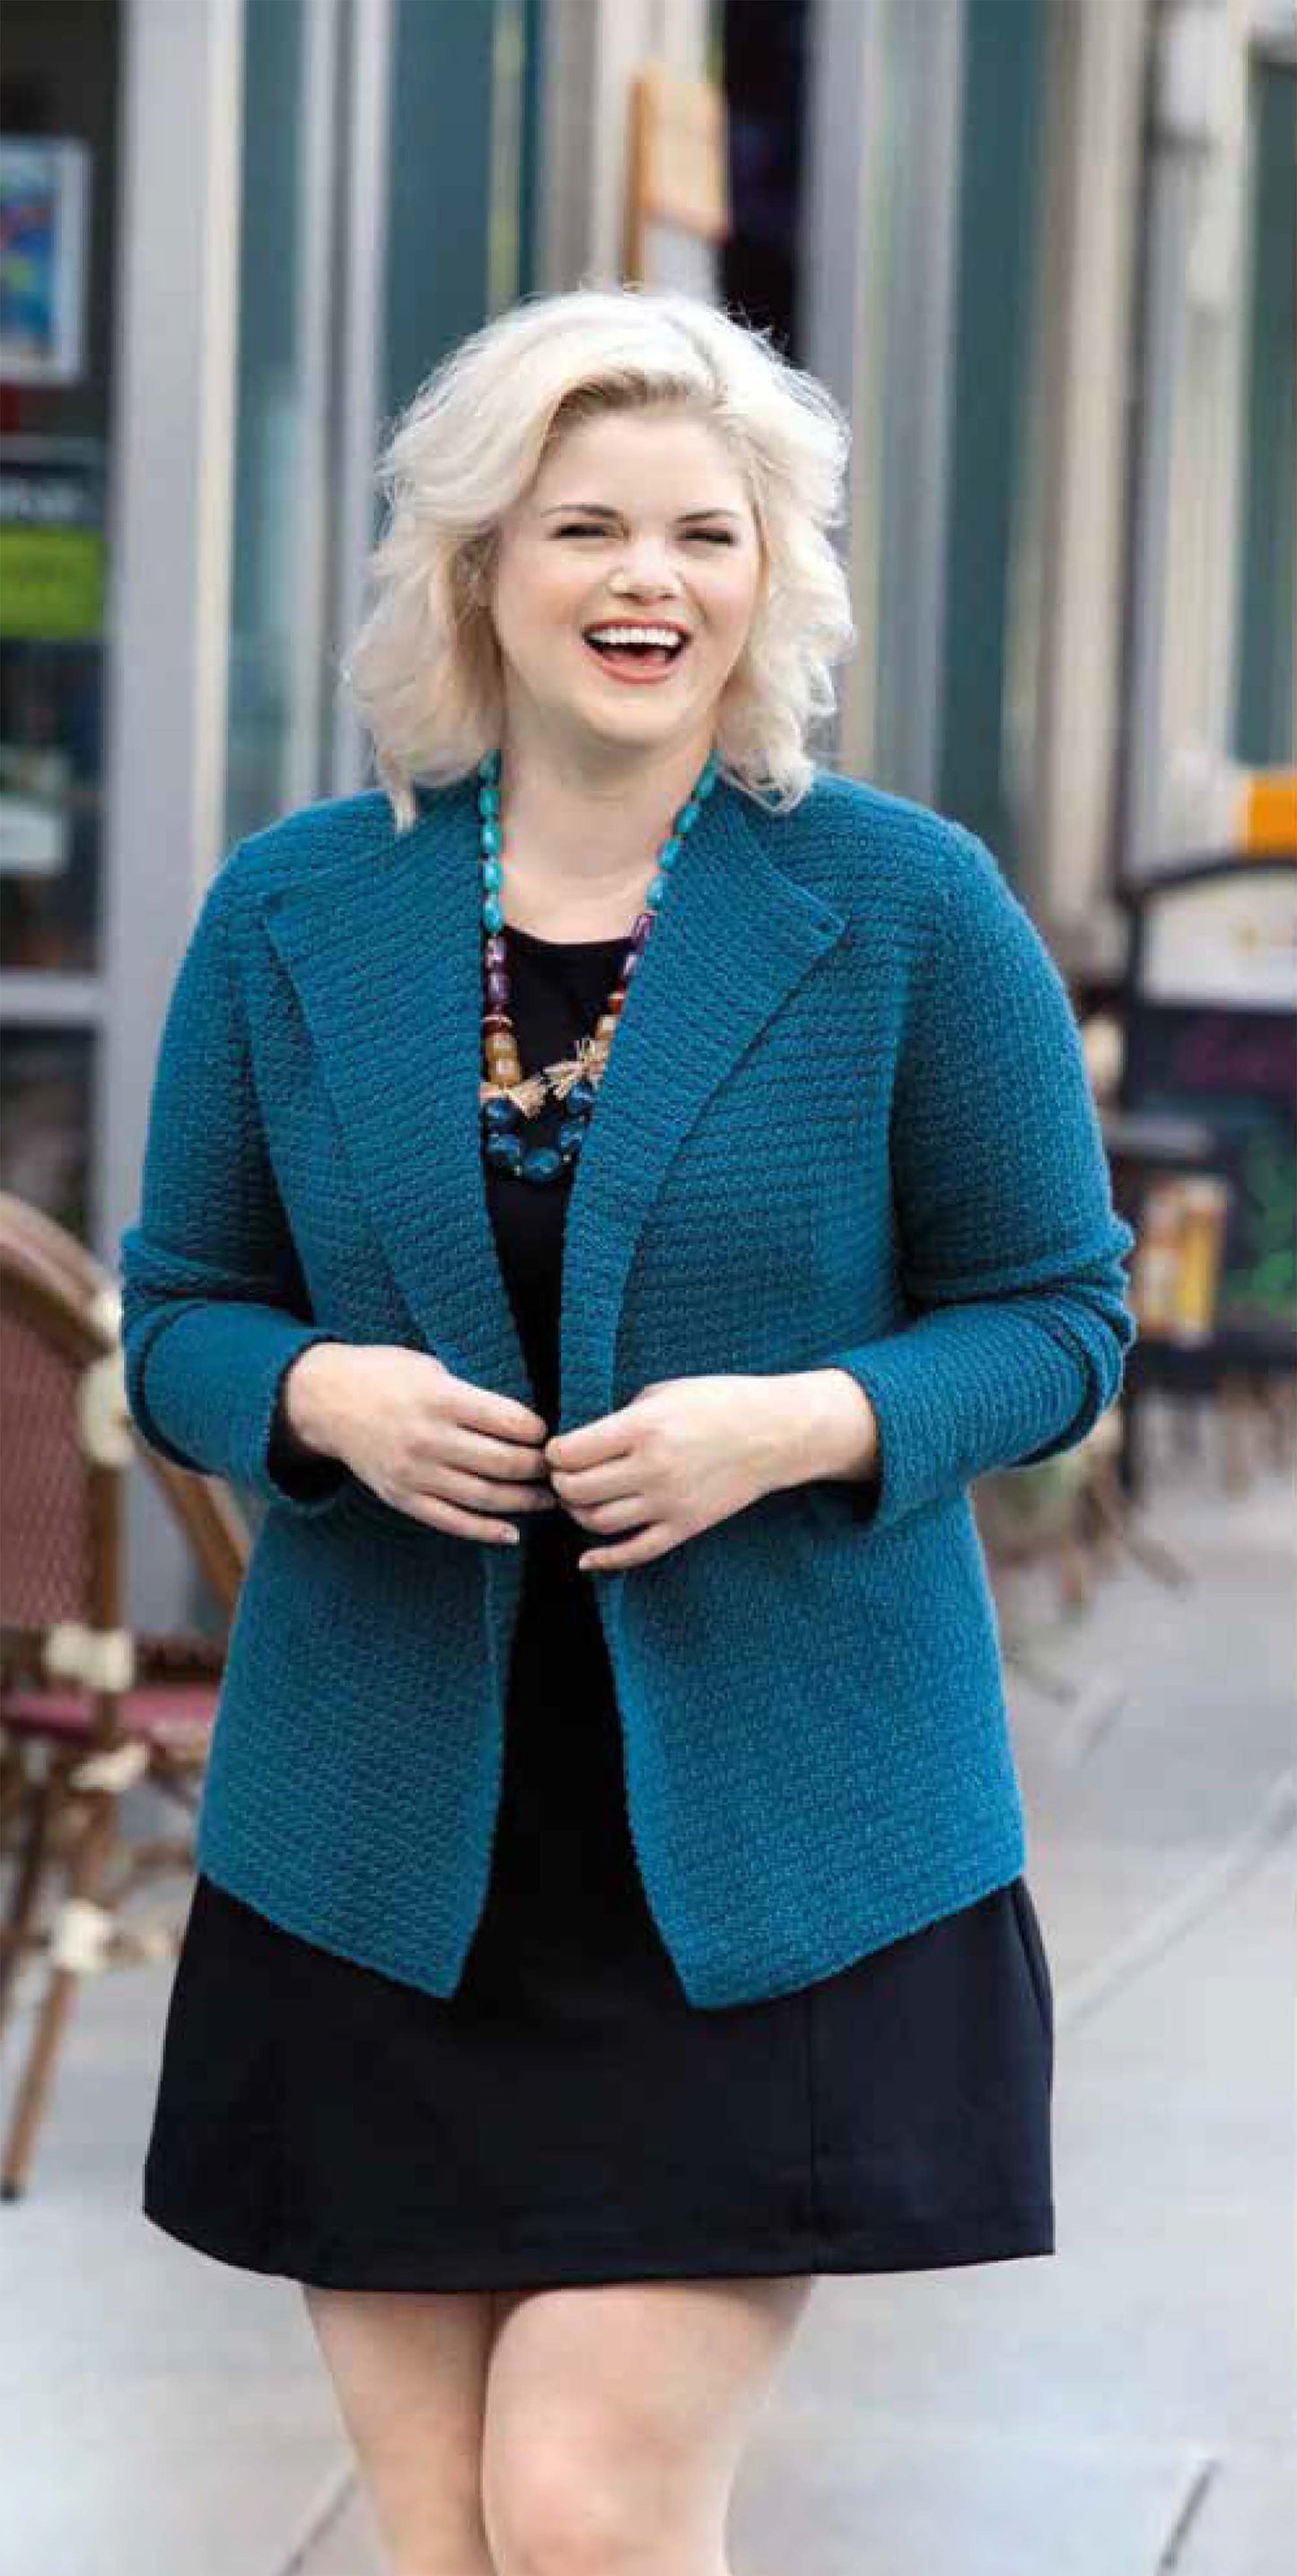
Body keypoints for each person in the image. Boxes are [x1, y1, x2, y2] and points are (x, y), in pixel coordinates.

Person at [119, 284, 1136, 2576]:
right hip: (381, 1854)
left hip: (777, 1866)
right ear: (479, 566)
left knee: (583, 2510)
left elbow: (1062, 1318)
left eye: (706, 529)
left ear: (773, 577)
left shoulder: (900, 907)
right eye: (584, 525)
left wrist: (804, 1421)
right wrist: (312, 1392)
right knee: (439, 2529)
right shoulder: (298, 910)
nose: (646, 578)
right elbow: (175, 1304)